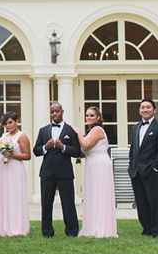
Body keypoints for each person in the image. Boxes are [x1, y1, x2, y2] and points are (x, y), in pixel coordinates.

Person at [33, 101, 81, 237]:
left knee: (68, 202)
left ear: (62, 112)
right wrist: (45, 147)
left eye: (57, 111)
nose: (54, 114)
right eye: (52, 112)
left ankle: (71, 231)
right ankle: (47, 232)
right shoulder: (43, 130)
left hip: (65, 172)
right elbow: (36, 151)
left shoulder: (70, 130)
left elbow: (77, 151)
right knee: (46, 203)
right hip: (47, 172)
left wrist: (63, 147)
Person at [0, 112, 30, 237]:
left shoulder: (22, 136)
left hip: (15, 169)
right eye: (6, 124)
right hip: (2, 169)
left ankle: (16, 227)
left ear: (16, 121)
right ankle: (0, 225)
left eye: (10, 122)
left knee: (14, 196)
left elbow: (27, 155)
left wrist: (12, 154)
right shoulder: (4, 136)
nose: (8, 126)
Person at [74, 106, 117, 238]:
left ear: (98, 117)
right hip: (92, 164)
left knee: (99, 194)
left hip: (99, 165)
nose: (88, 117)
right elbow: (85, 150)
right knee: (93, 194)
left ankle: (101, 227)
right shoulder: (91, 131)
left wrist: (78, 133)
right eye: (87, 115)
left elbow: (86, 145)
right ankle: (93, 226)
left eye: (92, 115)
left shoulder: (97, 130)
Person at [128, 98, 158, 237]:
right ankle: (146, 229)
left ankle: (156, 231)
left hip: (152, 172)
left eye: (148, 107)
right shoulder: (135, 128)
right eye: (142, 107)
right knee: (141, 202)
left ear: (154, 110)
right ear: (139, 110)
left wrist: (155, 167)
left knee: (154, 202)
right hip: (136, 172)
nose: (145, 110)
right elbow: (133, 150)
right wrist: (131, 166)